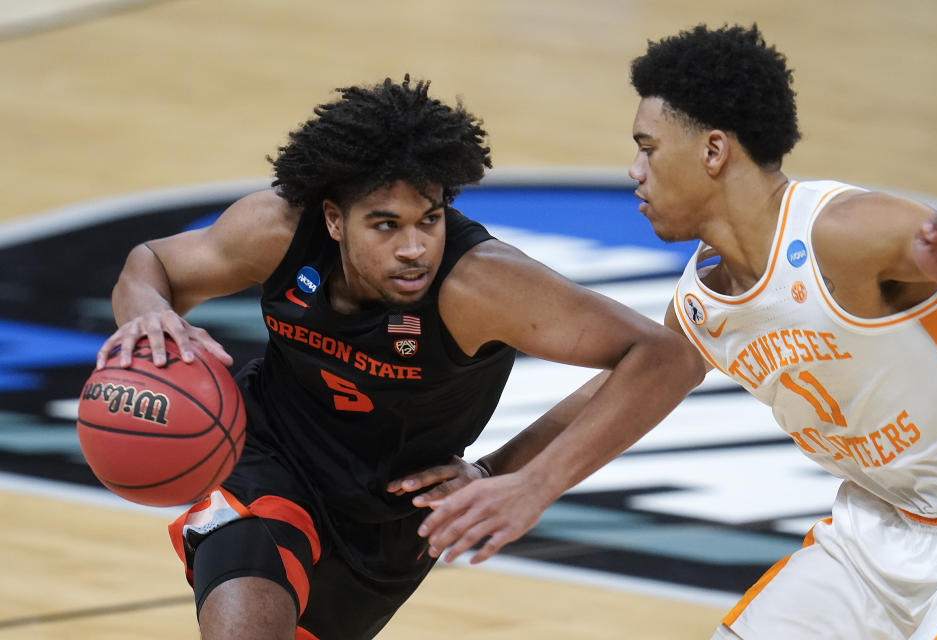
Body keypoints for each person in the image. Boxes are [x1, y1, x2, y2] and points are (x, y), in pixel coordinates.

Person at [95, 75, 704, 640]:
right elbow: (152, 264)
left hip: (390, 524)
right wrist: (149, 313)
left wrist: (515, 478)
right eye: (385, 225)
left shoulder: (482, 285)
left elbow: (663, 358)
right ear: (334, 220)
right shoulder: (277, 230)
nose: (414, 248)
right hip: (266, 455)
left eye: (429, 219)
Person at [412, 24, 937, 640]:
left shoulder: (845, 232)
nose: (634, 169)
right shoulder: (704, 302)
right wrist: (493, 475)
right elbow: (624, 391)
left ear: (714, 151)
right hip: (877, 528)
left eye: (648, 147)